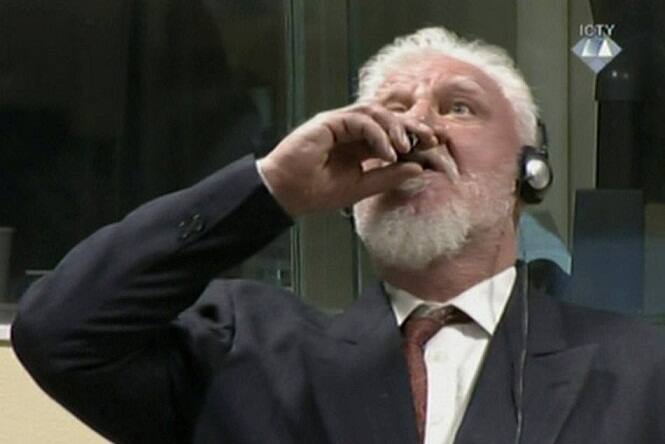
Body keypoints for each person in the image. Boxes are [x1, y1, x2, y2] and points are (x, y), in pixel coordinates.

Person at [11, 27, 665, 444]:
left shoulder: (641, 369)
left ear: (529, 171)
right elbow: (61, 334)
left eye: (458, 107)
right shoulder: (244, 350)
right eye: (391, 111)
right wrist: (271, 188)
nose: (417, 130)